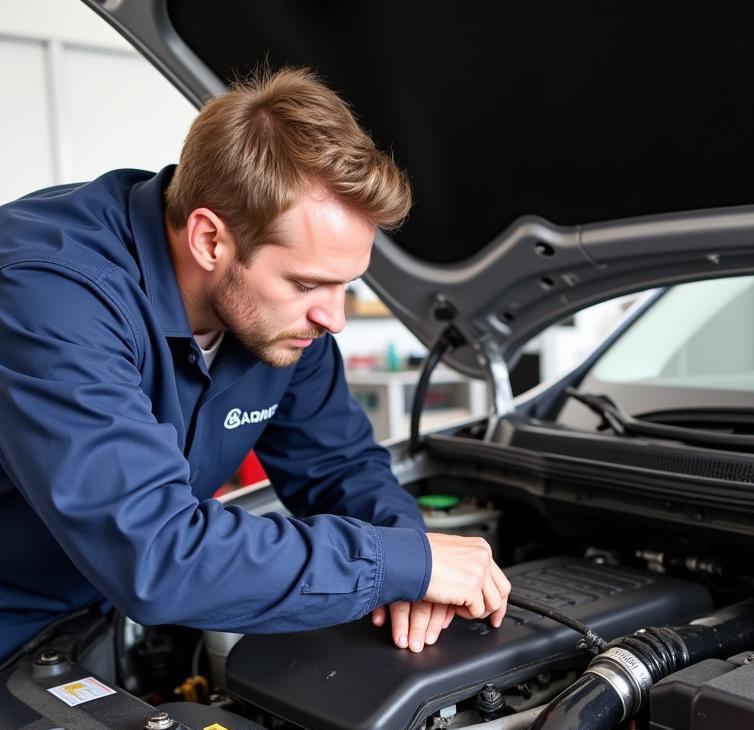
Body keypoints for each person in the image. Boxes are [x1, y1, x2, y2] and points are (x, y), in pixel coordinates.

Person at [0, 67, 509, 667]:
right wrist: (399, 564)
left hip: (83, 632)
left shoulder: (284, 324)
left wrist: (412, 561)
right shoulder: (47, 295)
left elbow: (340, 466)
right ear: (210, 240)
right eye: (308, 283)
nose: (335, 318)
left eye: (347, 284)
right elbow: (158, 556)